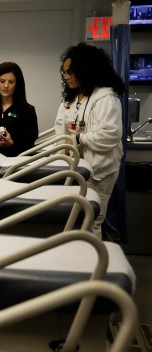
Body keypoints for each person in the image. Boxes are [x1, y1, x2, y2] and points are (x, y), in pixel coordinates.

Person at [54, 42, 124, 239]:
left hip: (101, 170)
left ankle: (93, 256)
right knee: (76, 219)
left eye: (70, 72)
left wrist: (78, 138)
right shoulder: (71, 98)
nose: (66, 77)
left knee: (91, 220)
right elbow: (60, 129)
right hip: (77, 168)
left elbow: (109, 135)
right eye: (64, 72)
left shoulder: (105, 98)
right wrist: (60, 153)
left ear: (85, 70)